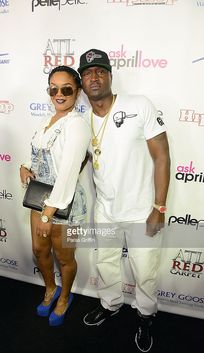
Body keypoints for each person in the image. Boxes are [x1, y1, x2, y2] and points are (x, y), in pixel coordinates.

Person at [77, 49, 170, 352]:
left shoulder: (139, 105)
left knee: (145, 269)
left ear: (110, 75)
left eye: (100, 71)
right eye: (88, 73)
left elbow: (162, 157)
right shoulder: (81, 123)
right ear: (82, 80)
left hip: (142, 209)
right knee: (105, 263)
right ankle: (110, 304)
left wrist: (159, 207)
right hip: (105, 209)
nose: (95, 77)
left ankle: (145, 314)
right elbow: (73, 163)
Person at [20, 66, 90, 326]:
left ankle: (65, 298)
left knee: (64, 257)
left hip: (64, 203)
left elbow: (69, 172)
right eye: (53, 88)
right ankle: (51, 288)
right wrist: (25, 167)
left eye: (66, 89)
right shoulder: (45, 121)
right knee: (39, 250)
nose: (59, 94)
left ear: (78, 92)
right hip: (39, 198)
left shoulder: (77, 125)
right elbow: (39, 156)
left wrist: (49, 213)